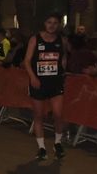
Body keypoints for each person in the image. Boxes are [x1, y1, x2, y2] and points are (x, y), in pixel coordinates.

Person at [25, 13, 68, 161]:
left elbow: (63, 57)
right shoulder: (35, 39)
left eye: (55, 23)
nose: (52, 25)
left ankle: (57, 143)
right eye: (49, 22)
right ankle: (42, 148)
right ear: (44, 23)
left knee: (58, 114)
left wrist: (63, 70)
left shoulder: (61, 40)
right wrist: (33, 77)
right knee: (39, 115)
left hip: (55, 82)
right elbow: (27, 61)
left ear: (59, 25)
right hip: (39, 83)